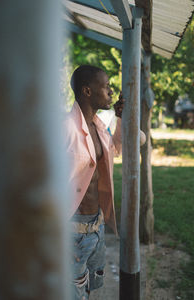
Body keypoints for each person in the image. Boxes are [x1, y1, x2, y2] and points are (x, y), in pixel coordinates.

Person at [64, 65, 146, 300]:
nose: (111, 92)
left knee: (88, 289)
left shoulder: (99, 127)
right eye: (106, 86)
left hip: (96, 226)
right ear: (87, 91)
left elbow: (118, 148)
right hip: (72, 231)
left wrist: (121, 118)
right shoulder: (65, 129)